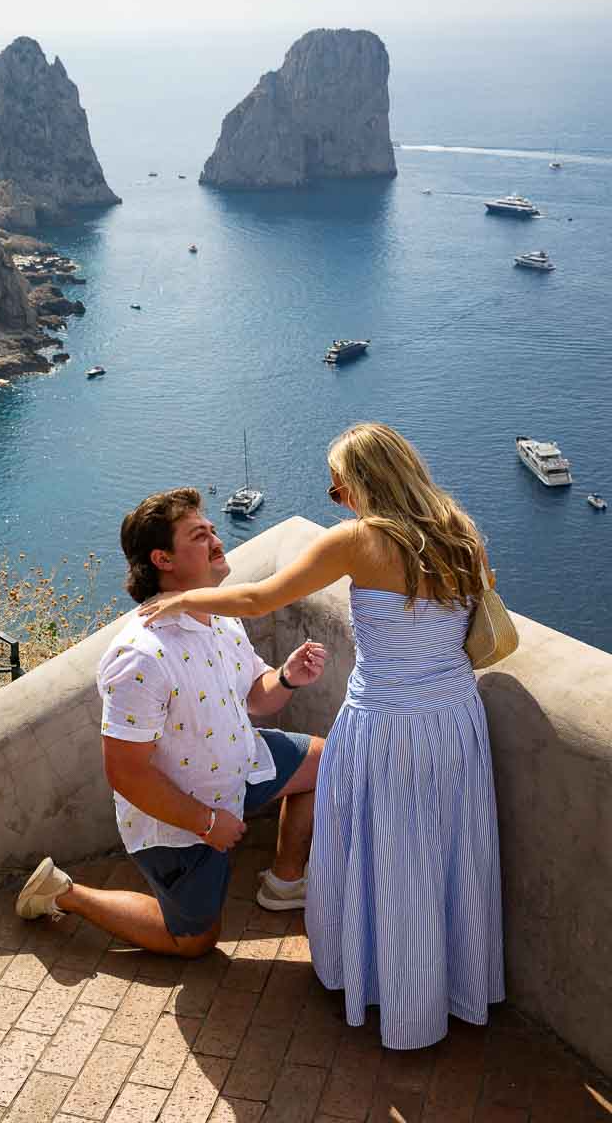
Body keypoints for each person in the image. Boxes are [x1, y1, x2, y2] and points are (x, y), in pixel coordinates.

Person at [138, 424, 505, 1048]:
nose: (336, 496)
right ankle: (448, 987)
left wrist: (179, 601)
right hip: (455, 718)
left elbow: (258, 599)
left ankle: (384, 987)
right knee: (444, 851)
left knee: (386, 852)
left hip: (387, 722)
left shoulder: (360, 541)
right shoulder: (459, 532)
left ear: (362, 483)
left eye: (338, 485)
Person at [16, 487, 327, 957]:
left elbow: (256, 699)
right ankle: (65, 893)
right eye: (200, 535)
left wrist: (286, 677)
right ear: (163, 559)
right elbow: (126, 772)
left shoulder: (220, 616)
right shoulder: (139, 656)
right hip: (184, 819)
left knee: (328, 760)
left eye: (213, 529)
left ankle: (284, 883)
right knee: (193, 942)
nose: (217, 540)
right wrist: (207, 824)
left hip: (243, 768)